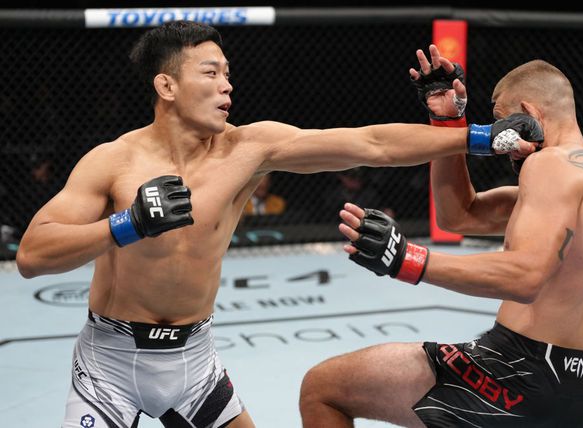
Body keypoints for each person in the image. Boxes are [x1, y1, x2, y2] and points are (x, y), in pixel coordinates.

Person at [15, 23, 538, 428]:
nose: (227, 85)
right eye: (210, 73)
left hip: (193, 362)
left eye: (227, 74)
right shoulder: (113, 161)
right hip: (108, 362)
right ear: (166, 84)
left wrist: (479, 136)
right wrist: (127, 224)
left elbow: (370, 144)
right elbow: (33, 255)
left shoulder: (249, 148)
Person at [299, 45, 583, 427]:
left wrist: (404, 259)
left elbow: (526, 277)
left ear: (531, 113)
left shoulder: (549, 165)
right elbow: (459, 214)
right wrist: (448, 123)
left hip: (515, 373)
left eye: (505, 122)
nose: (504, 144)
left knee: (323, 388)